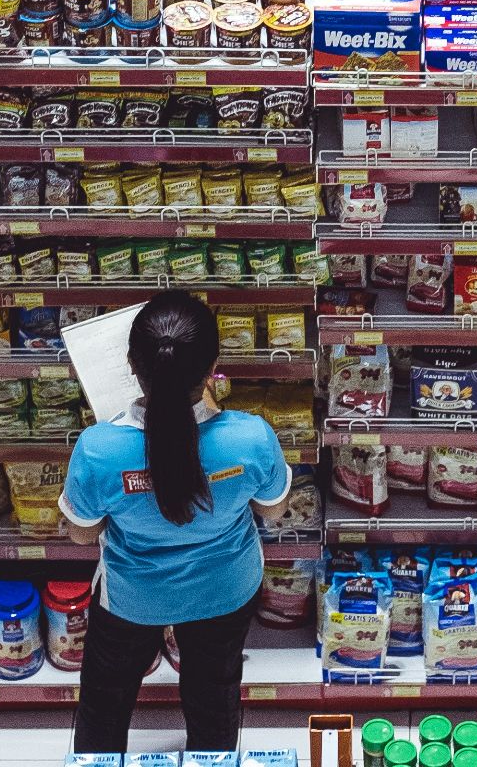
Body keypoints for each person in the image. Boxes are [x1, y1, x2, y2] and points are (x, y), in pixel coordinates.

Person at [61, 290, 291, 755]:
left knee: (106, 700)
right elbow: (273, 510)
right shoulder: (251, 437)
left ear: (131, 365)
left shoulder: (99, 448)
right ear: (213, 368)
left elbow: (82, 533)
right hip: (224, 590)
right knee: (214, 694)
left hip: (132, 597)